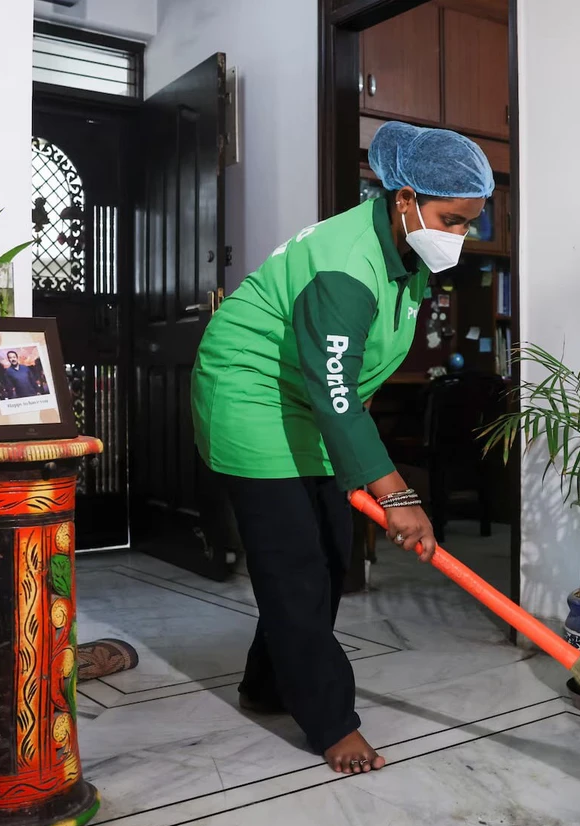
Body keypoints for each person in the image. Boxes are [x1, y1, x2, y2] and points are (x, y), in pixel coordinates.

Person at [191, 121, 493, 775]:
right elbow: (334, 389)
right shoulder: (347, 264)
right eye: (453, 219)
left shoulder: (403, 254)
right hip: (254, 398)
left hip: (311, 400)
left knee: (328, 555)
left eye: (470, 223)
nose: (461, 237)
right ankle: (331, 722)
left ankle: (268, 685)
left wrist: (373, 471)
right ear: (406, 199)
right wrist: (398, 493)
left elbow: (341, 381)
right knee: (296, 568)